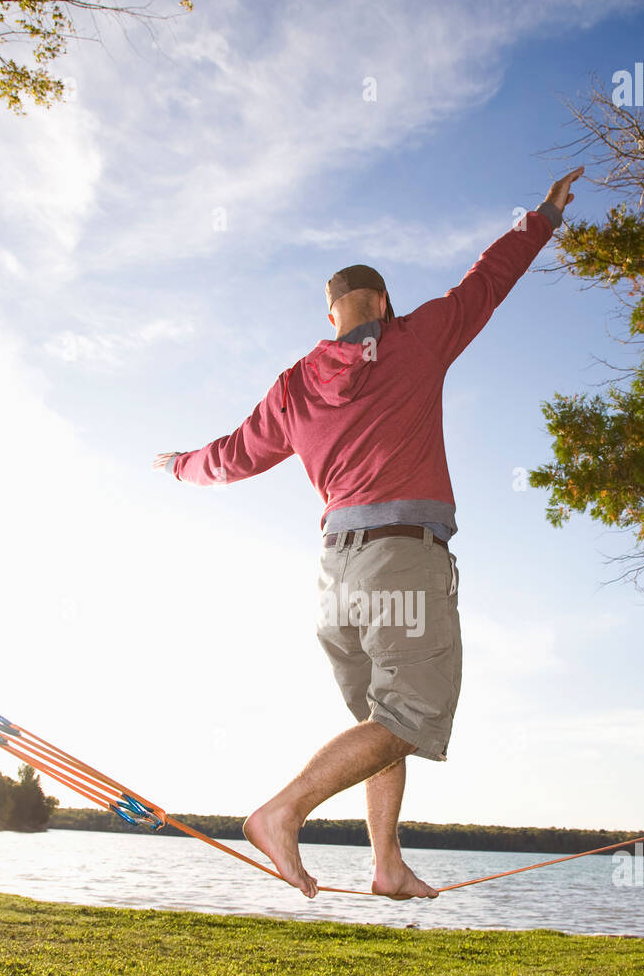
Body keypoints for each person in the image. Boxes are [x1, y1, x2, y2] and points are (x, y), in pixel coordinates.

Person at [153, 166, 584, 901]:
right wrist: (543, 215)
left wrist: (178, 466)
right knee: (408, 718)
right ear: (384, 301)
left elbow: (230, 457)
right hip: (401, 559)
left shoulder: (295, 385)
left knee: (380, 727)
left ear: (330, 316)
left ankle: (386, 864)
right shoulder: (419, 339)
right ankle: (281, 811)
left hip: (334, 581)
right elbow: (489, 279)